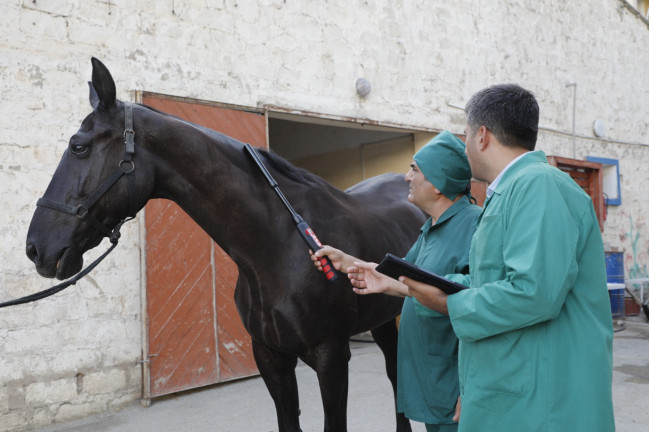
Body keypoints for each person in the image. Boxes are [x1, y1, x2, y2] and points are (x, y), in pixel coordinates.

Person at [351, 84, 615, 431]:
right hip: (516, 388)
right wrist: (426, 285)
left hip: (545, 401)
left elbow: (532, 293)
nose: (464, 146)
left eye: (465, 135)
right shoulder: (509, 192)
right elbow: (488, 281)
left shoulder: (539, 186)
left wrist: (450, 303)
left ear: (482, 136)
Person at [312, 131, 481, 432]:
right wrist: (349, 262)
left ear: (438, 183)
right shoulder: (432, 228)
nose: (406, 177)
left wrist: (472, 387)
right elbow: (409, 279)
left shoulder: (475, 226)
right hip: (436, 382)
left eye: (415, 169)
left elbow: (481, 308)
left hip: (458, 388)